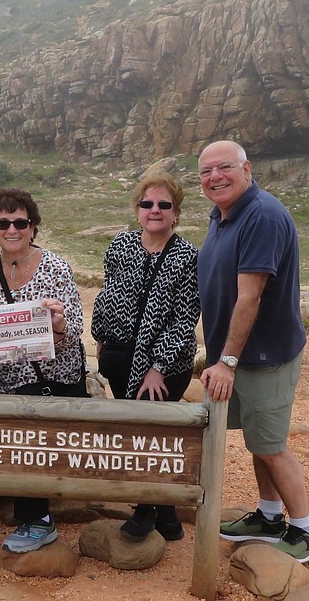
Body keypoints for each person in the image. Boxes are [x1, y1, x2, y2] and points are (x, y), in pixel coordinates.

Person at [196, 140, 309, 563]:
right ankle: (269, 518)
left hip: (262, 356)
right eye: (205, 171)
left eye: (224, 167)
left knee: (270, 444)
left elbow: (249, 297)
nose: (215, 176)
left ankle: (305, 530)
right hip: (241, 356)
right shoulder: (225, 215)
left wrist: (227, 361)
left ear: (246, 168)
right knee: (257, 440)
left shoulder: (262, 216)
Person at [0, 188, 87, 553]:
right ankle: (33, 516)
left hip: (54, 378)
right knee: (18, 447)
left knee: (40, 444)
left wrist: (59, 324)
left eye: (20, 222)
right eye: (3, 223)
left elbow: (75, 328)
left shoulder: (56, 266)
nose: (11, 229)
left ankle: (38, 520)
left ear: (33, 227)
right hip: (4, 384)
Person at [91, 171, 200, 541]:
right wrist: (100, 337)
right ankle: (168, 518)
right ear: (137, 209)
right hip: (120, 359)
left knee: (149, 436)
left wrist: (157, 369)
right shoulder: (121, 245)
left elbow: (186, 319)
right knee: (134, 430)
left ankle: (145, 509)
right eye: (147, 204)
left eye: (163, 205)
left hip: (164, 366)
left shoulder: (187, 257)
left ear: (175, 213)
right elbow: (107, 294)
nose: (154, 210)